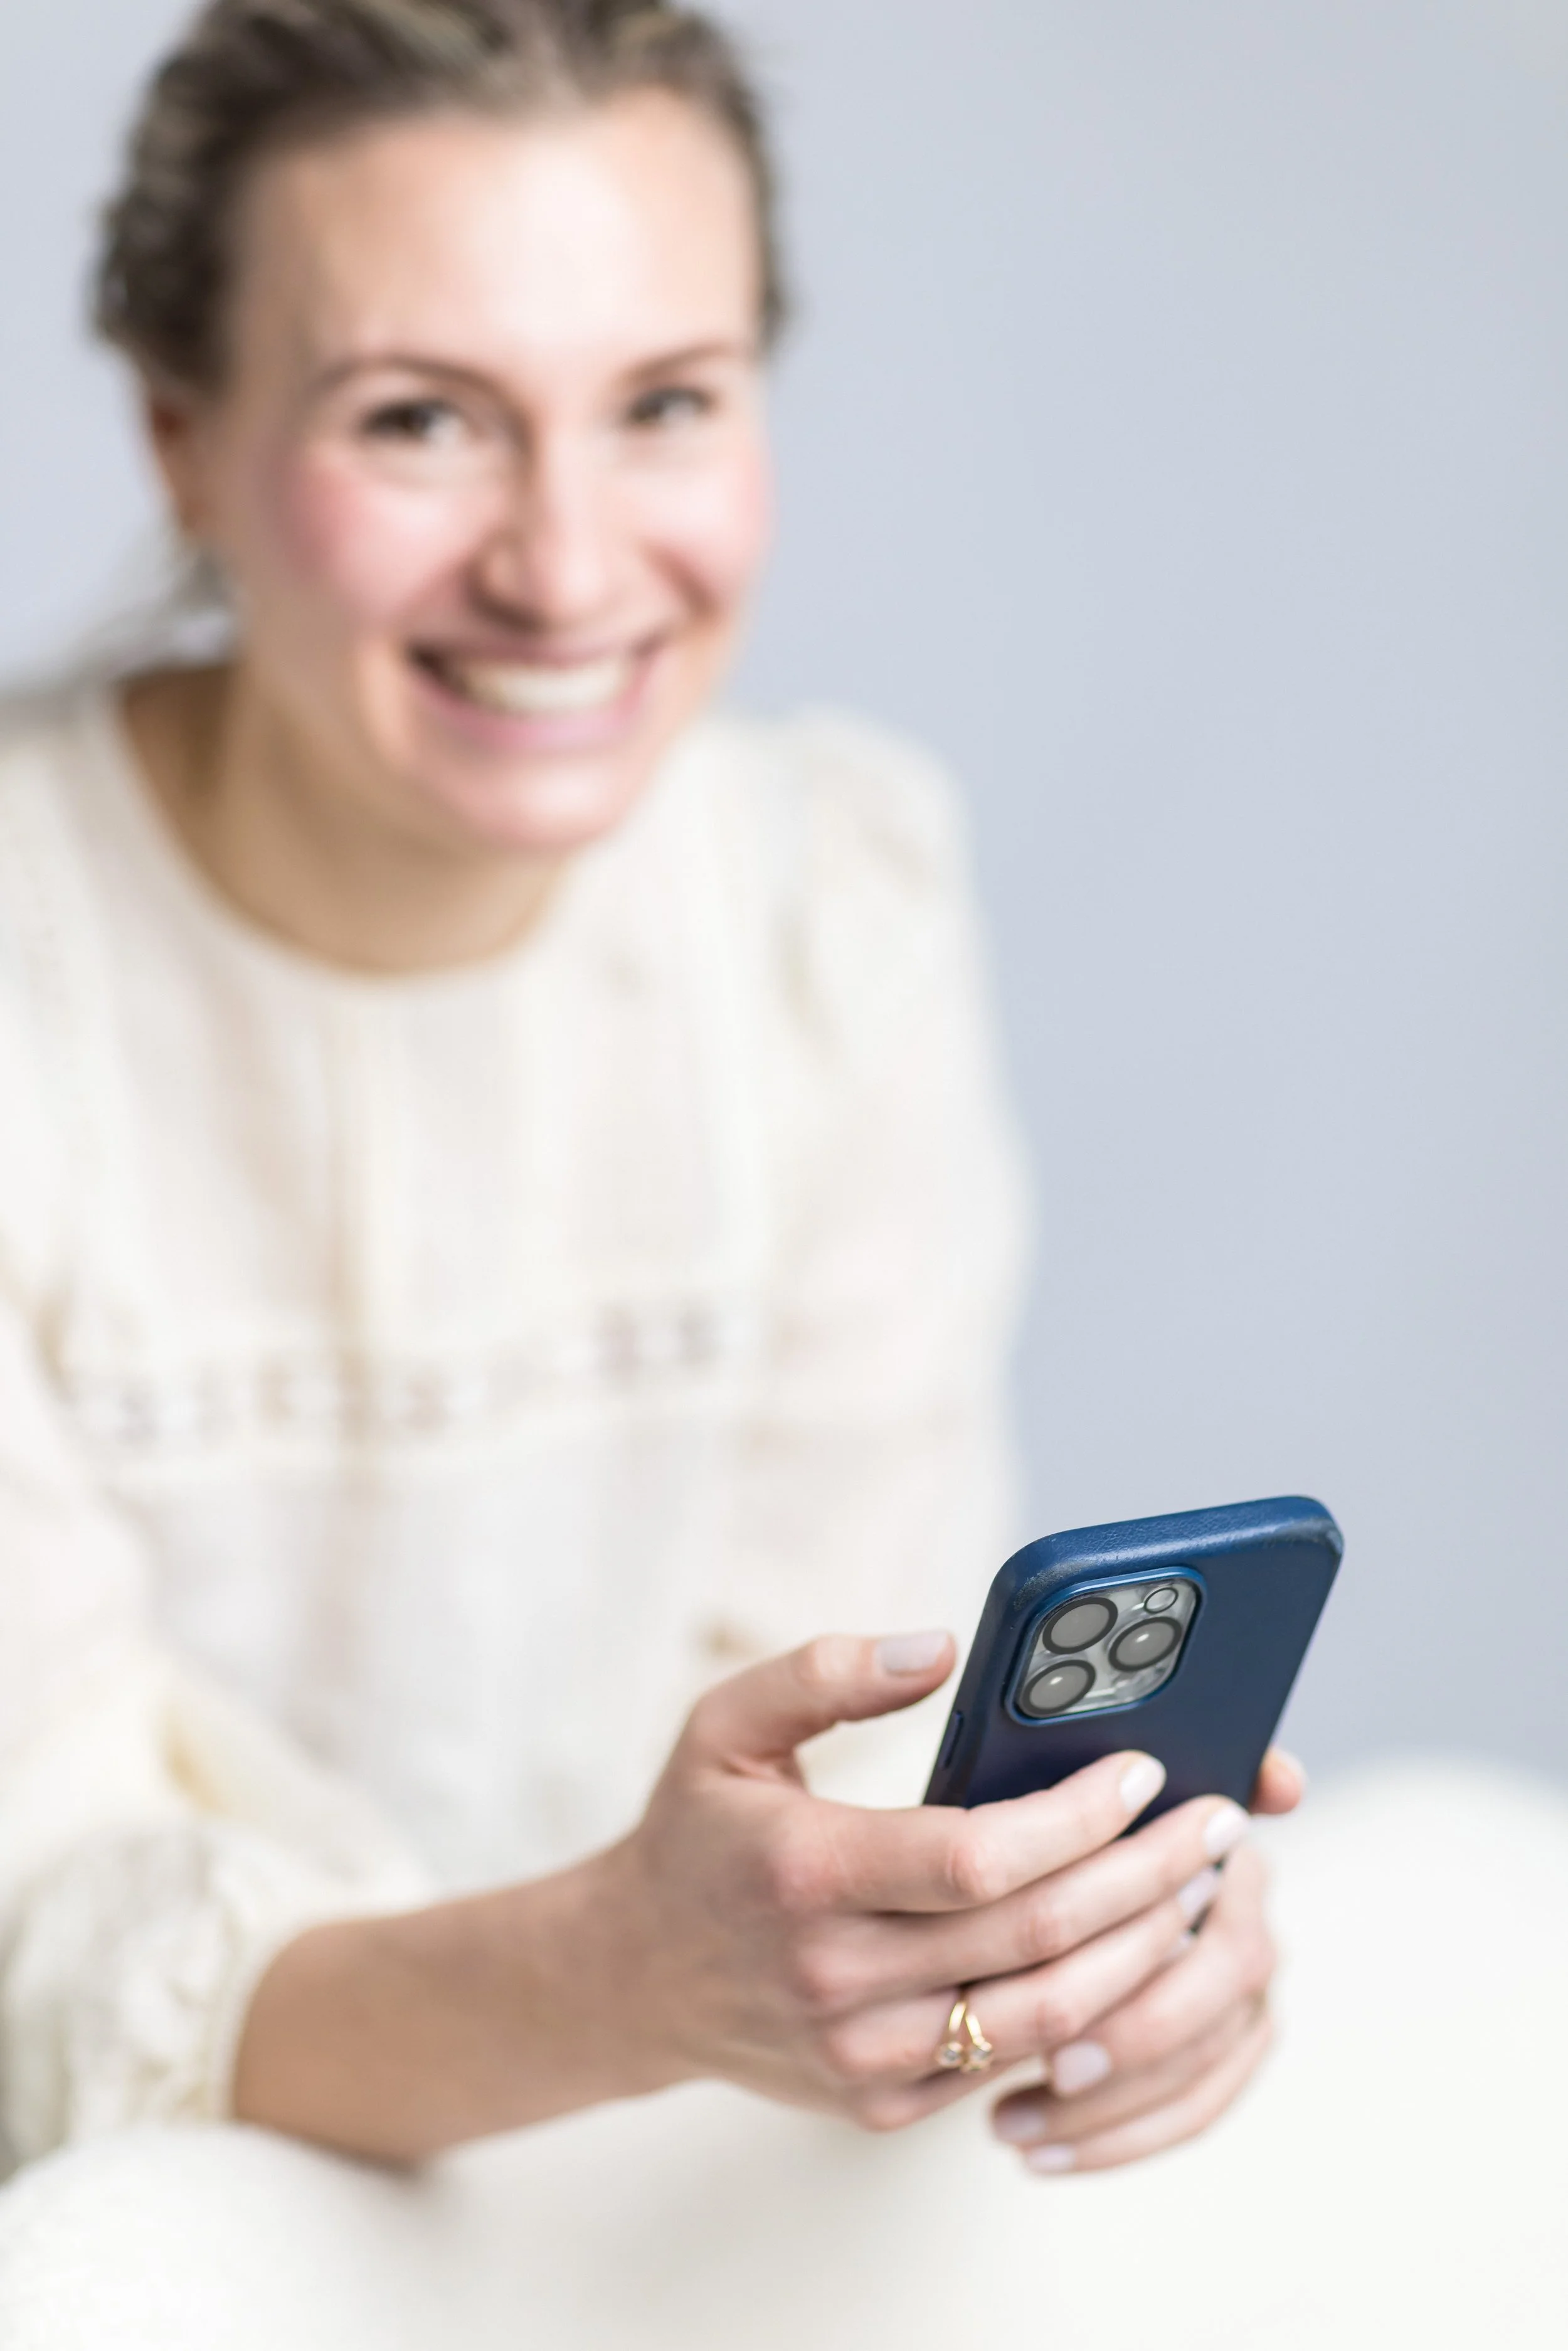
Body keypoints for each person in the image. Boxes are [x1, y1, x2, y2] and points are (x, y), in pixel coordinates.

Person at [2, 7, 1565, 2348]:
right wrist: (636, 1978)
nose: (565, 562)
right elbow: (45, 1957)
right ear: (184, 439)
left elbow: (862, 1699)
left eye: (666, 402)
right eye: (417, 415)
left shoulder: (829, 904)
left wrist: (1034, 1932)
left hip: (671, 2160)